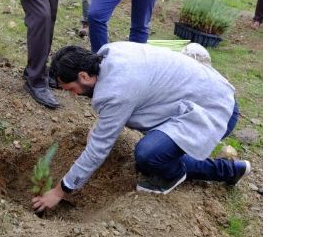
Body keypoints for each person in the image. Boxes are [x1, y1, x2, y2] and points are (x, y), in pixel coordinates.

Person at [31, 43, 251, 213]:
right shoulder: (109, 55)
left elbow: (98, 149)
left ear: (84, 76)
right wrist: (102, 124)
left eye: (71, 88)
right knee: (158, 155)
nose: (72, 94)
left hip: (215, 109)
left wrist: (60, 191)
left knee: (149, 155)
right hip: (201, 92)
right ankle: (230, 171)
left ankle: (172, 176)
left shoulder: (116, 91)